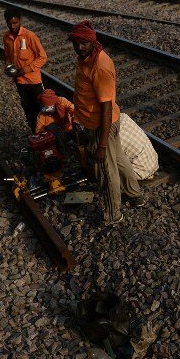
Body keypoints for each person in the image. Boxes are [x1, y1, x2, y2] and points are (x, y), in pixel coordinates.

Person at [68, 20, 144, 224]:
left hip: (102, 126)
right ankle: (135, 195)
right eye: (76, 43)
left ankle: (113, 214)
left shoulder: (100, 66)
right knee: (119, 159)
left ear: (93, 42)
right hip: (97, 122)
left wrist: (101, 145)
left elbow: (106, 107)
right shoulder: (85, 58)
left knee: (106, 171)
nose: (79, 47)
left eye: (84, 43)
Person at [3, 8, 48, 131]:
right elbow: (8, 56)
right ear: (6, 22)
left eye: (15, 23)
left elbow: (43, 57)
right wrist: (8, 68)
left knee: (41, 109)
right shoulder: (6, 37)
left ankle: (46, 136)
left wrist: (25, 70)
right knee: (28, 109)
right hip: (20, 82)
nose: (12, 26)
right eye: (9, 23)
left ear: (20, 21)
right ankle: (35, 134)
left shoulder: (30, 36)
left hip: (34, 82)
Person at [118, 113, 159, 181]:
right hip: (153, 164)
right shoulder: (124, 117)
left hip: (139, 171)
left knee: (109, 156)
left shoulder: (112, 136)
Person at [35, 89, 75, 154]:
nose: (46, 110)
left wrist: (73, 115)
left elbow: (73, 108)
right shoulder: (41, 115)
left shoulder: (61, 101)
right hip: (57, 139)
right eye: (44, 107)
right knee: (52, 127)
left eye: (48, 107)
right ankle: (63, 154)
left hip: (70, 130)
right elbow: (39, 132)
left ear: (53, 103)